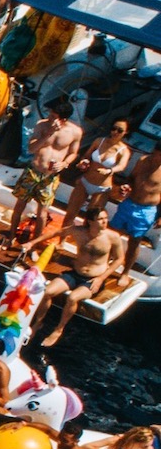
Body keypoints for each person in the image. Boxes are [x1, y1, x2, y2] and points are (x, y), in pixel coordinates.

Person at [28, 204, 123, 345]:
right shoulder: (79, 231)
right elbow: (56, 233)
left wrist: (101, 278)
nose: (105, 222)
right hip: (75, 273)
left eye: (106, 218)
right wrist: (32, 243)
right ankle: (38, 322)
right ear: (90, 221)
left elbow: (119, 258)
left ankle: (59, 329)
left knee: (72, 298)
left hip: (93, 279)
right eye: (100, 219)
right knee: (47, 292)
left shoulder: (112, 237)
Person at [6, 98, 85, 245]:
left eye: (53, 116)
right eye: (50, 114)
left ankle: (33, 245)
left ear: (63, 119)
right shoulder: (42, 125)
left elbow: (73, 153)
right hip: (33, 171)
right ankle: (10, 237)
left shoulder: (75, 132)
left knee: (42, 213)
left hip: (50, 177)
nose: (49, 117)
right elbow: (31, 149)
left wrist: (64, 164)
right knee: (19, 206)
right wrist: (48, 133)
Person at [63, 119, 132, 224]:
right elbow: (86, 156)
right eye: (113, 128)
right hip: (85, 181)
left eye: (120, 130)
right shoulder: (99, 141)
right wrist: (84, 162)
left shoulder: (124, 151)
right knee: (69, 215)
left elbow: (121, 166)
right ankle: (63, 235)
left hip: (102, 188)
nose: (115, 132)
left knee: (90, 221)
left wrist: (110, 170)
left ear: (126, 132)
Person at [112, 146, 161, 276]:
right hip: (129, 203)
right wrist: (127, 186)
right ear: (155, 151)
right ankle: (105, 262)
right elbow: (132, 178)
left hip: (146, 211)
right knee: (113, 234)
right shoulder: (143, 160)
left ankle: (125, 273)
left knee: (134, 242)